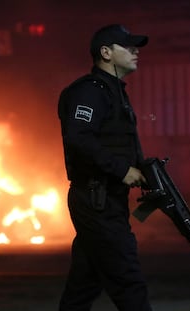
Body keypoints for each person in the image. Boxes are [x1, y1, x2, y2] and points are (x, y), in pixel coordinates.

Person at [57, 24, 153, 311]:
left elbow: (118, 143)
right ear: (106, 52)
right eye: (128, 47)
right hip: (96, 198)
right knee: (128, 280)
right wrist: (122, 170)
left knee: (85, 283)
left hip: (108, 199)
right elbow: (79, 138)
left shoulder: (114, 93)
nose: (136, 52)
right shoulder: (90, 92)